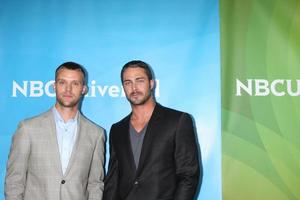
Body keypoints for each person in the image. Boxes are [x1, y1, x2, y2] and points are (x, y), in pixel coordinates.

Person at [5, 62, 105, 200]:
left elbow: (95, 185)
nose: (68, 89)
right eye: (62, 82)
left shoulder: (96, 134)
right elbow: (14, 183)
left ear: (83, 89)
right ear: (54, 86)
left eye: (75, 83)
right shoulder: (28, 129)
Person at [104, 60, 202, 200]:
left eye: (139, 80)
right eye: (128, 82)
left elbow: (188, 176)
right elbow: (112, 181)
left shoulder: (178, 121)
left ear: (151, 83)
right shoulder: (117, 129)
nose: (134, 88)